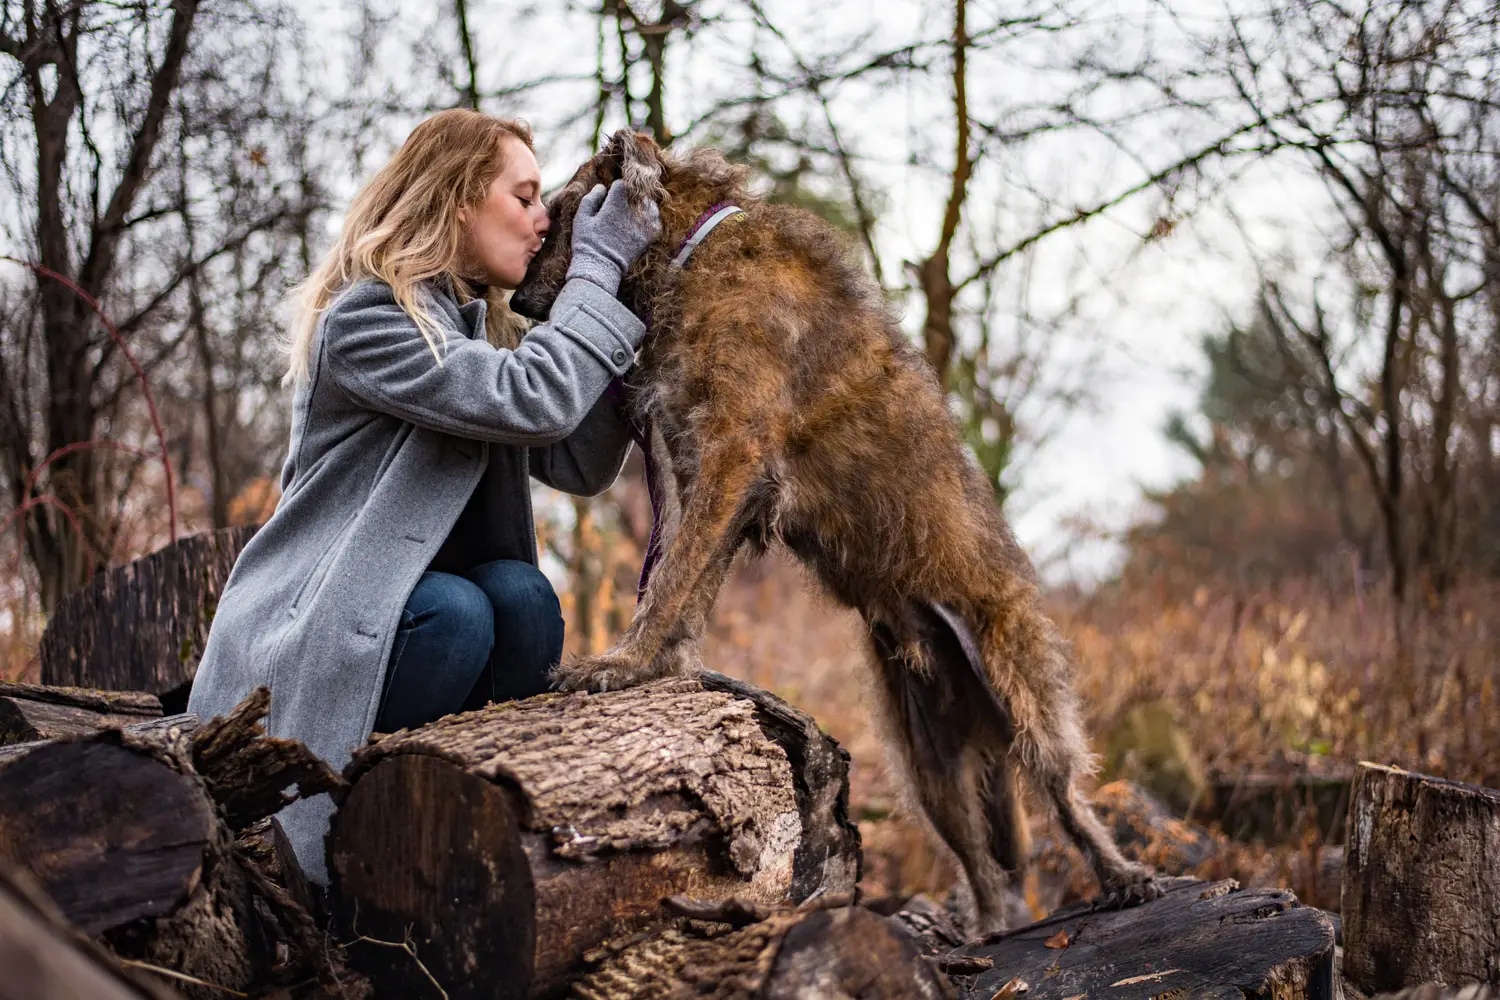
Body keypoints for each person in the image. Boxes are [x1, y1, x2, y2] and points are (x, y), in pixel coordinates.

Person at [186, 109, 661, 885]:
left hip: (417, 628)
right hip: (319, 638)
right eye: (525, 196)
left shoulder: (480, 333)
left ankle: (457, 820)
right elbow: (532, 400)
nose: (545, 220)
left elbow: (576, 461)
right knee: (461, 610)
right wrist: (593, 278)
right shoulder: (370, 319)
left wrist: (630, 301)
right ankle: (357, 837)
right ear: (459, 199)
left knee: (521, 596)